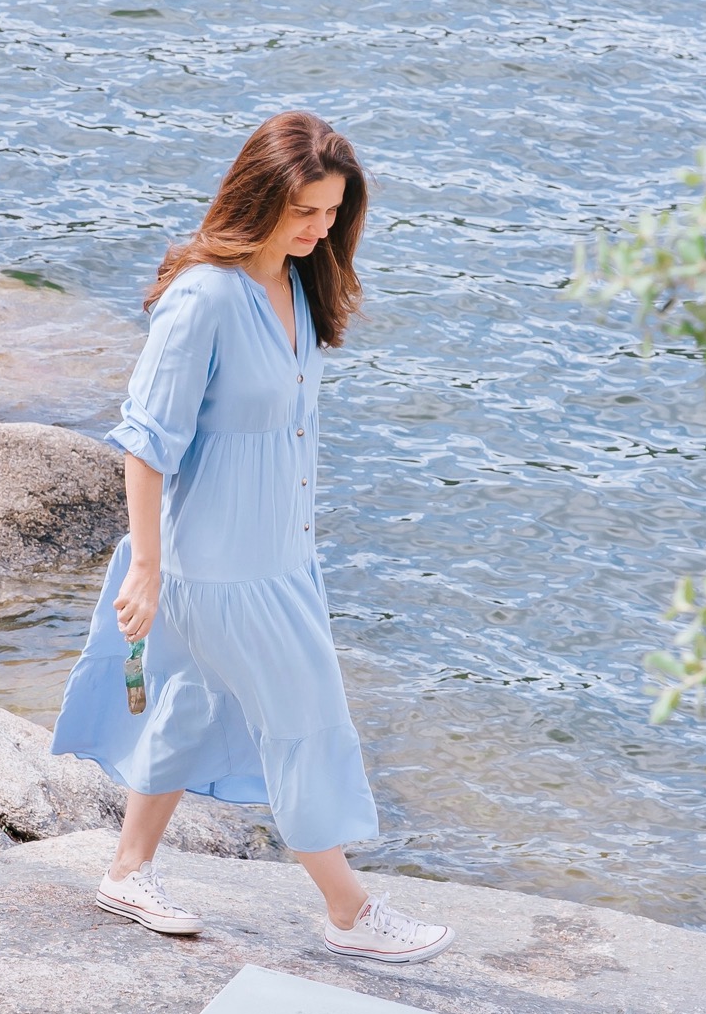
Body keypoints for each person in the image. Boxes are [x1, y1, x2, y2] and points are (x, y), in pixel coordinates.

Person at [52, 110, 453, 965]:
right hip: (219, 570)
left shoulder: (298, 288)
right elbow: (144, 441)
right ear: (259, 197)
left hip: (281, 558)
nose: (321, 230)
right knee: (307, 719)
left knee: (192, 706)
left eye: (333, 214)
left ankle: (127, 870)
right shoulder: (203, 298)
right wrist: (149, 569)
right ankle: (348, 909)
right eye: (305, 212)